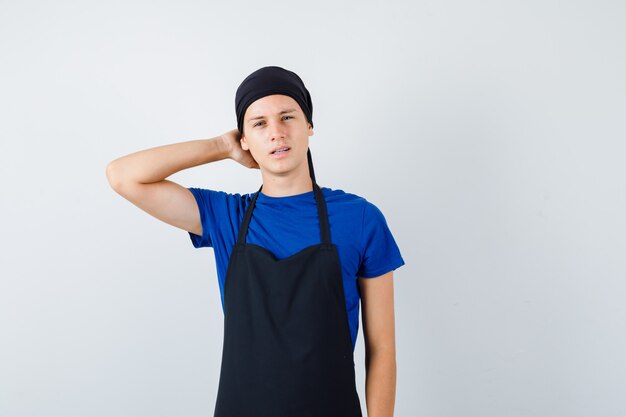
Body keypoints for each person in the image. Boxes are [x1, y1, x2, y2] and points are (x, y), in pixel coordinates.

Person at [106, 65, 405, 417]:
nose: (276, 132)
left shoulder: (360, 219)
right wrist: (219, 146)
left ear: (309, 126)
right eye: (259, 123)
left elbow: (382, 347)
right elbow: (123, 177)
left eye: (287, 117)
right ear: (244, 139)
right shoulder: (226, 218)